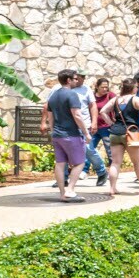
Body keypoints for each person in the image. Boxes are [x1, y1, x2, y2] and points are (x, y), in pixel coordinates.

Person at [45, 70, 91, 203]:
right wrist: (86, 133)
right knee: (80, 163)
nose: (77, 81)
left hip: (57, 135)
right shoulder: (72, 94)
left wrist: (53, 131)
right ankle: (70, 190)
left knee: (60, 164)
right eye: (75, 79)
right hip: (71, 135)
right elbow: (77, 115)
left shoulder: (53, 96)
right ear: (68, 80)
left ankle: (62, 193)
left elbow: (50, 116)